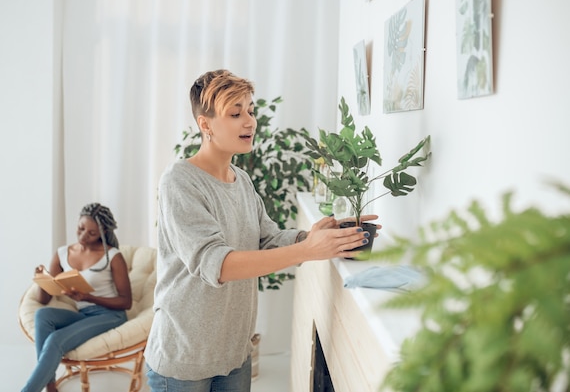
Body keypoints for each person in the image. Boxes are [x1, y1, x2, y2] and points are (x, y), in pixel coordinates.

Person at [144, 69, 380, 392]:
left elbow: (266, 240)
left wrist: (316, 236)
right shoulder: (179, 182)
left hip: (234, 354)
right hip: (183, 360)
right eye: (236, 113)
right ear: (206, 124)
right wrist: (307, 250)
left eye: (251, 111)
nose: (250, 121)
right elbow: (218, 264)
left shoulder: (242, 181)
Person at [21, 203, 132, 392]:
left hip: (110, 315)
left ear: (103, 232)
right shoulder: (63, 253)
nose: (83, 237)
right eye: (80, 229)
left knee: (56, 339)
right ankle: (50, 384)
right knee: (42, 316)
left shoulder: (112, 256)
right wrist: (42, 278)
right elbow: (43, 300)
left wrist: (89, 297)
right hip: (84, 314)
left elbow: (126, 302)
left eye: (91, 233)